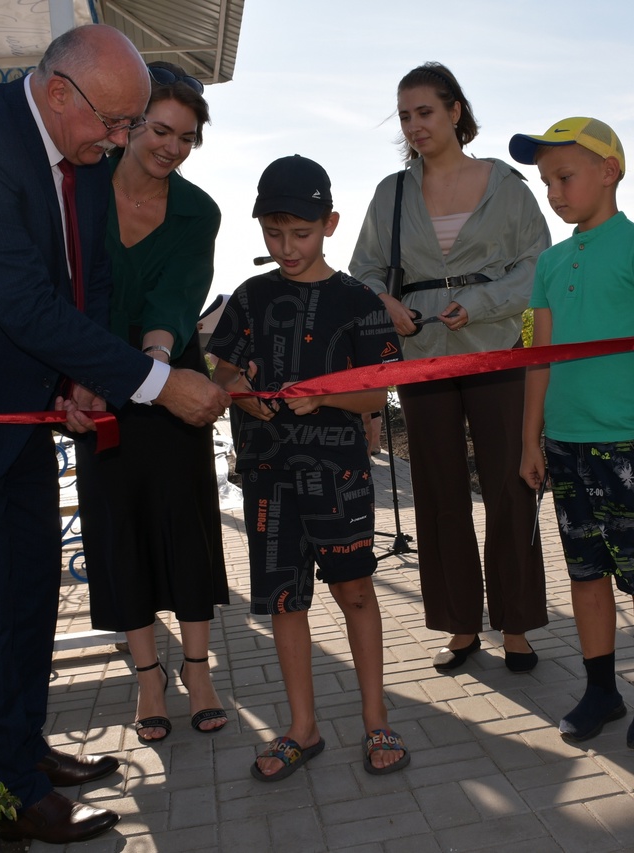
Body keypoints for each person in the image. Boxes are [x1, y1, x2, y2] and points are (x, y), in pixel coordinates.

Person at [0, 25, 230, 845]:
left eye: (135, 126)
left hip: (23, 405)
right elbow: (24, 302)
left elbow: (84, 283)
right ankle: (8, 793)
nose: (125, 140)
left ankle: (23, 751)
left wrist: (81, 378)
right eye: (119, 122)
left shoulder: (85, 153)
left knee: (29, 591)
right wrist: (162, 386)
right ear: (62, 92)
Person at [207, 155, 410, 781]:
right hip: (268, 479)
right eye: (273, 233)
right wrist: (248, 388)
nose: (286, 247)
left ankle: (376, 719)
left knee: (355, 592)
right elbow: (222, 374)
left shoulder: (357, 302)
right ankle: (303, 729)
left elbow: (378, 395)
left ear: (330, 223)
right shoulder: (249, 297)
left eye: (300, 232)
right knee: (287, 604)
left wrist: (323, 396)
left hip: (341, 477)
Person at [349, 62, 551, 674]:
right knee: (438, 493)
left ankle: (516, 624)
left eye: (425, 112)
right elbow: (362, 273)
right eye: (405, 116)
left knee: (511, 487)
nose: (414, 125)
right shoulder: (392, 193)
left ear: (456, 111)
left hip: (494, 349)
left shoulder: (507, 185)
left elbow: (537, 266)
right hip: (421, 360)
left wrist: (483, 302)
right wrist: (389, 306)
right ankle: (460, 626)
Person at [512, 117, 634, 749]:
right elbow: (540, 358)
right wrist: (532, 440)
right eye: (545, 182)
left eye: (564, 177)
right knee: (585, 575)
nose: (554, 192)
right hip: (566, 447)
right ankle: (600, 690)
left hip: (633, 447)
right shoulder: (551, 263)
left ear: (610, 170)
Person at [74, 60, 229, 745]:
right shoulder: (78, 190)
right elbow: (72, 293)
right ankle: (147, 677)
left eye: (187, 137)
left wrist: (158, 369)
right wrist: (81, 374)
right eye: (162, 130)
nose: (172, 146)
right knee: (120, 529)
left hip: (172, 385)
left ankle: (199, 670)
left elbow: (175, 298)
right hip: (94, 383)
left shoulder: (199, 211)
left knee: (183, 524)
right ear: (132, 126)